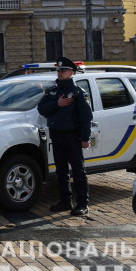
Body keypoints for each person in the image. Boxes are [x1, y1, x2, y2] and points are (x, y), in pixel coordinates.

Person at [37, 56, 93, 216]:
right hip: (57, 135)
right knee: (61, 170)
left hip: (73, 136)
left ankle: (83, 203)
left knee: (78, 170)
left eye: (63, 70)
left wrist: (85, 138)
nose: (60, 73)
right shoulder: (53, 91)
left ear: (71, 73)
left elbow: (86, 117)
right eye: (59, 70)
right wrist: (57, 104)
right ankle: (65, 201)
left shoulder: (78, 93)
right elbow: (42, 108)